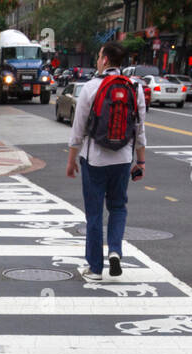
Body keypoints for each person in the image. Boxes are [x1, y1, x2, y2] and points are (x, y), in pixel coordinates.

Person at [66, 41, 146, 282]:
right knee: (118, 207)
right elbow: (140, 130)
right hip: (123, 158)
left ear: (106, 61)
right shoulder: (135, 87)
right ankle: (115, 251)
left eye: (99, 56)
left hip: (95, 159)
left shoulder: (90, 88)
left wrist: (71, 161)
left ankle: (95, 268)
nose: (97, 60)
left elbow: (77, 130)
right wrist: (140, 162)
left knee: (94, 214)